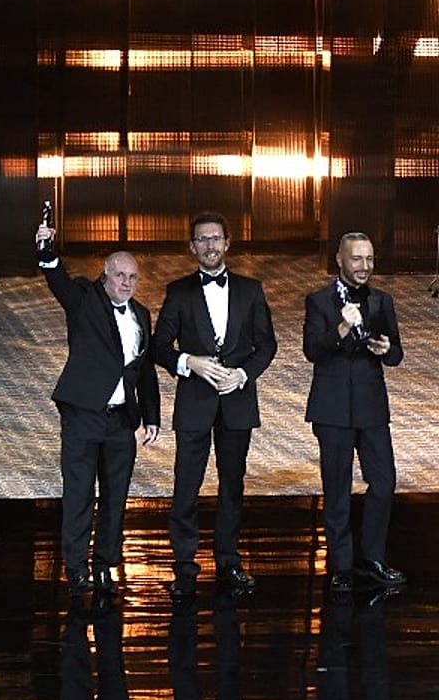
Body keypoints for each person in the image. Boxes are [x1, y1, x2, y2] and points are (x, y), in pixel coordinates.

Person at [153, 212, 278, 598]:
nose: (209, 245)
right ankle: (185, 568)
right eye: (201, 240)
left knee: (232, 487)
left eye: (215, 239)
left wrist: (242, 375)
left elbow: (267, 345)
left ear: (227, 243)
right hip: (194, 401)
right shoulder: (178, 291)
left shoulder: (251, 289)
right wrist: (188, 362)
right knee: (186, 487)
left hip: (237, 402)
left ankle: (228, 561)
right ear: (192, 247)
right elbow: (158, 347)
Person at [36, 225, 161, 598]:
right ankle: (76, 568)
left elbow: (145, 367)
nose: (126, 282)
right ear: (104, 275)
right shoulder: (84, 299)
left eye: (133, 277)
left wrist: (151, 416)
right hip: (83, 414)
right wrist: (46, 248)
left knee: (115, 496)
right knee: (79, 495)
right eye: (120, 275)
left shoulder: (141, 313)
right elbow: (55, 277)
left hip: (121, 419)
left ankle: (106, 565)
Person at [303, 231, 406, 593]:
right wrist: (342, 327)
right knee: (337, 487)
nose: (365, 267)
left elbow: (396, 355)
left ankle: (373, 557)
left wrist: (385, 348)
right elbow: (312, 350)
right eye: (358, 259)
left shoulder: (382, 300)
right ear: (340, 260)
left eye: (370, 259)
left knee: (384, 481)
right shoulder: (318, 301)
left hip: (371, 407)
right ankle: (341, 564)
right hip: (331, 408)